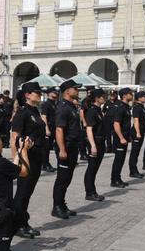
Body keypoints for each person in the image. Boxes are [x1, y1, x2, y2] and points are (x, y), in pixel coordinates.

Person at [10, 81, 46, 238]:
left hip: (36, 157)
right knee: (22, 193)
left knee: (27, 193)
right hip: (26, 158)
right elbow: (14, 139)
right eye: (36, 92)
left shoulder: (35, 111)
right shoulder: (22, 113)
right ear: (27, 95)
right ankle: (17, 225)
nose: (39, 95)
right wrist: (16, 162)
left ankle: (22, 222)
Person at [52, 79, 82, 219]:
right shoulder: (63, 107)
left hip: (73, 147)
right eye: (75, 89)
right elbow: (59, 130)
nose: (77, 91)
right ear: (67, 91)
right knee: (62, 178)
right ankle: (57, 207)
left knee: (67, 178)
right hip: (66, 147)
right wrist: (62, 149)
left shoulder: (71, 106)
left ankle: (62, 204)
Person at [83, 89, 107, 202]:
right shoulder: (92, 111)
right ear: (96, 98)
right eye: (102, 96)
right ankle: (90, 192)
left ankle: (92, 191)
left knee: (95, 168)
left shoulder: (98, 110)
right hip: (95, 142)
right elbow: (89, 129)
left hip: (100, 142)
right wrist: (92, 145)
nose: (104, 98)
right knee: (91, 168)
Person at [110, 88, 133, 188]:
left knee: (122, 159)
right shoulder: (120, 107)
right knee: (118, 159)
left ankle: (118, 178)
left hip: (125, 136)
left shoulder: (126, 107)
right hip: (120, 137)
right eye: (130, 94)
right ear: (124, 96)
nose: (132, 95)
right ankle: (114, 180)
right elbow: (116, 124)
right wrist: (121, 138)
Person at [129, 91, 145, 179]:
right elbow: (136, 120)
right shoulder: (137, 107)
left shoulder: (142, 107)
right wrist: (137, 132)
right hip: (137, 132)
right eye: (144, 96)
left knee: (137, 152)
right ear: (139, 98)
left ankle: (134, 170)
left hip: (141, 131)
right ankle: (133, 171)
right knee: (134, 152)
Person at [39, 88, 59, 172]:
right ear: (49, 94)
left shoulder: (54, 103)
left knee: (50, 146)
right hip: (49, 127)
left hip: (54, 127)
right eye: (54, 92)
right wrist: (46, 129)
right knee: (46, 148)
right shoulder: (46, 104)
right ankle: (45, 164)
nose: (56, 94)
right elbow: (44, 117)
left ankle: (46, 163)